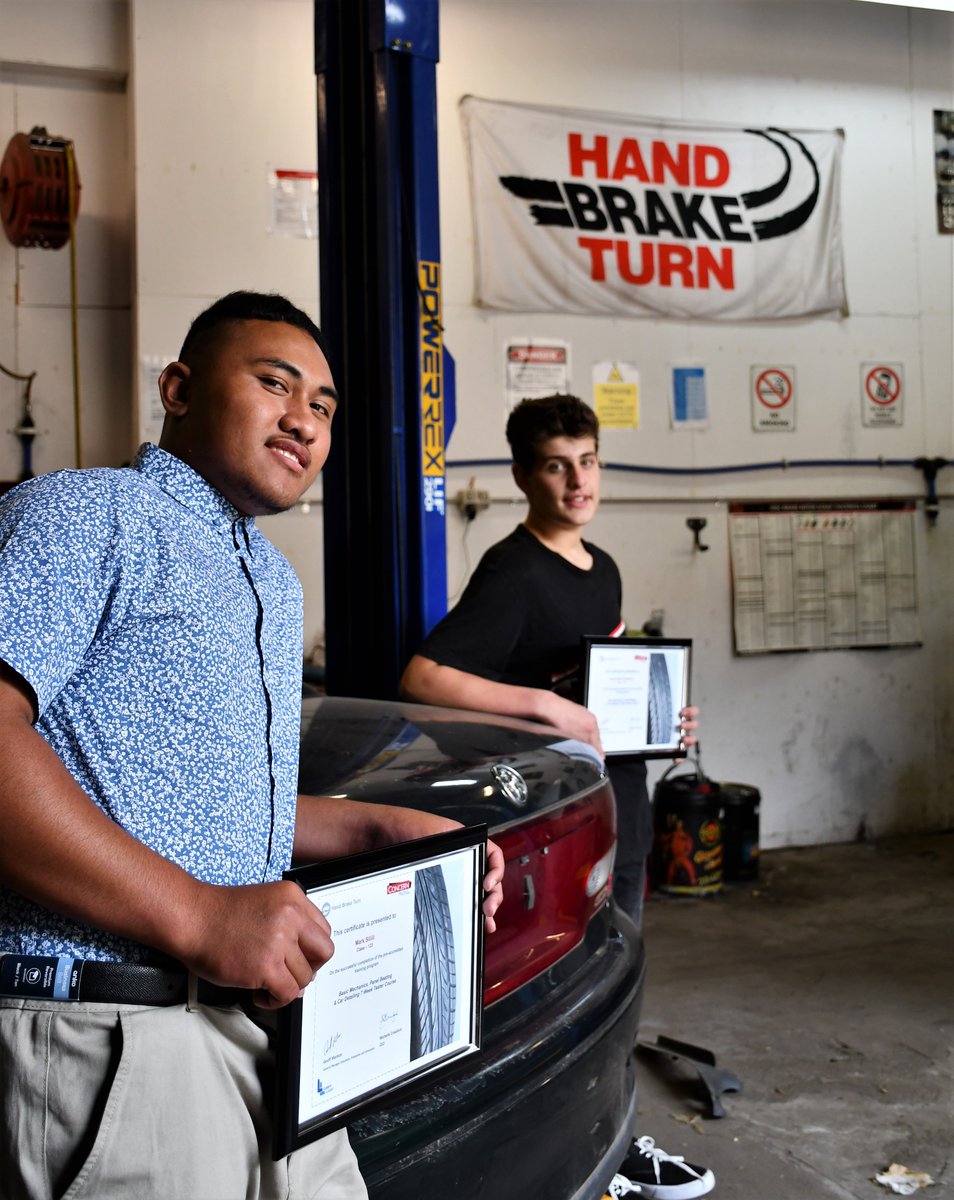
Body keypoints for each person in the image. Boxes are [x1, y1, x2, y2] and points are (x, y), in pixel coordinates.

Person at [0, 291, 504, 1200]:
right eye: (274, 384)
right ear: (180, 388)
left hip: (256, 1024)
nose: (303, 420)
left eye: (322, 406)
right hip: (111, 1022)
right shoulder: (84, 514)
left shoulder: (267, 577)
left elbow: (216, 804)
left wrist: (378, 833)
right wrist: (199, 915)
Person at [400, 393, 714, 1200]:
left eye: (589, 460)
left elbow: (594, 685)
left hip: (623, 803)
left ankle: (613, 1135)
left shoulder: (600, 568)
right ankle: (576, 1157)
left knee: (618, 976)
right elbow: (423, 677)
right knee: (561, 997)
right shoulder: (513, 570)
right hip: (552, 820)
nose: (578, 480)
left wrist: (659, 714)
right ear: (522, 476)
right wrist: (544, 706)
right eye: (556, 465)